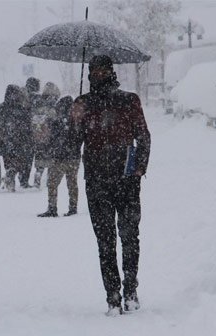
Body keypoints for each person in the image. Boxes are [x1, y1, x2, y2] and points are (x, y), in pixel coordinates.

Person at [71, 55, 151, 316]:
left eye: (101, 70)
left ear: (110, 72)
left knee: (122, 238)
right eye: (95, 70)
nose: (98, 74)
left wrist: (139, 168)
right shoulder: (86, 103)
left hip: (118, 180)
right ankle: (118, 294)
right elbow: (73, 143)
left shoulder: (124, 100)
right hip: (105, 180)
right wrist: (73, 120)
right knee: (114, 240)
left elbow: (143, 136)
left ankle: (124, 292)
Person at [37, 96, 80, 217]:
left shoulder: (56, 121)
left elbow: (50, 139)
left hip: (59, 158)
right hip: (74, 157)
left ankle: (52, 208)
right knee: (72, 183)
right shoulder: (77, 122)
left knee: (52, 183)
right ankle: (73, 207)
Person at [0, 84, 32, 192]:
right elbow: (27, 125)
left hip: (5, 141)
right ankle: (12, 176)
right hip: (19, 141)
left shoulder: (1, 107)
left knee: (9, 162)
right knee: (18, 162)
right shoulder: (22, 107)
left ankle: (10, 176)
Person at [31, 81, 60, 188]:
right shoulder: (54, 103)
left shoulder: (38, 102)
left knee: (40, 157)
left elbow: (33, 117)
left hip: (39, 134)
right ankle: (50, 179)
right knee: (51, 158)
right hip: (51, 136)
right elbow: (56, 120)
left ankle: (38, 174)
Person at [20, 77, 42, 188]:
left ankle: (23, 179)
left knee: (26, 157)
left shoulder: (22, 97)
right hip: (37, 131)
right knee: (37, 156)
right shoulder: (39, 99)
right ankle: (37, 174)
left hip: (24, 132)